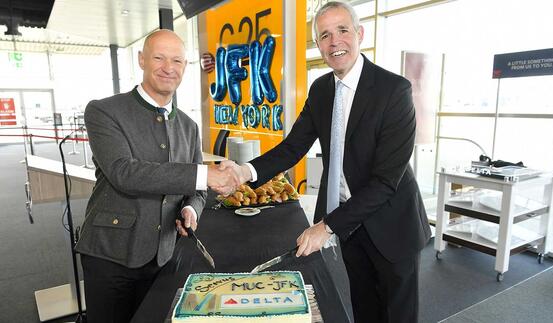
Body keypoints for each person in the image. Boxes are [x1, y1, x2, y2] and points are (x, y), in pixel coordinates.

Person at [222, 2, 431, 322]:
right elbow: (293, 147)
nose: (335, 42)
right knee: (363, 307)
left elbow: (385, 182)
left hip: (392, 226)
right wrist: (244, 171)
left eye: (343, 31)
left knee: (397, 314)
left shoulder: (394, 90)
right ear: (318, 45)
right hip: (350, 225)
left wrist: (326, 226)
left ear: (359, 34)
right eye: (324, 35)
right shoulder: (321, 89)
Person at [75, 29, 239, 322]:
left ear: (185, 67)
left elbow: (197, 192)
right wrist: (205, 176)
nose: (168, 67)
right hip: (111, 255)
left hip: (164, 256)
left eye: (176, 60)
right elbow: (124, 172)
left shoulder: (189, 126)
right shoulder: (104, 111)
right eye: (159, 57)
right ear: (141, 60)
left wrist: (191, 208)